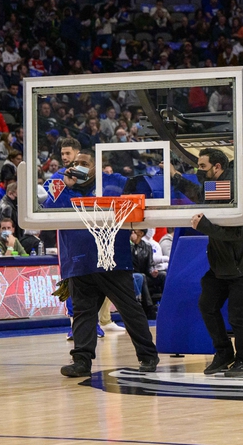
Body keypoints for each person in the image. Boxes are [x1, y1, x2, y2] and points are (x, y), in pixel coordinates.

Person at [44, 150, 158, 377]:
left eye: (84, 163)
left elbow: (146, 191)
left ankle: (148, 356)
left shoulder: (113, 181)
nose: (78, 166)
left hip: (112, 259)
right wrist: (65, 184)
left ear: (97, 165)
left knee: (129, 310)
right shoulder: (61, 183)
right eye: (75, 162)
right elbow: (49, 211)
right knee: (83, 313)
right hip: (79, 260)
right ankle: (81, 361)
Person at [187, 146, 243, 377]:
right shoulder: (216, 185)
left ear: (218, 167)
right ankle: (223, 353)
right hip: (223, 263)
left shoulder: (234, 187)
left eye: (202, 166)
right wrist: (174, 177)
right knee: (207, 305)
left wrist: (204, 226)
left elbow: (234, 233)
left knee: (237, 315)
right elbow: (199, 195)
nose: (198, 171)